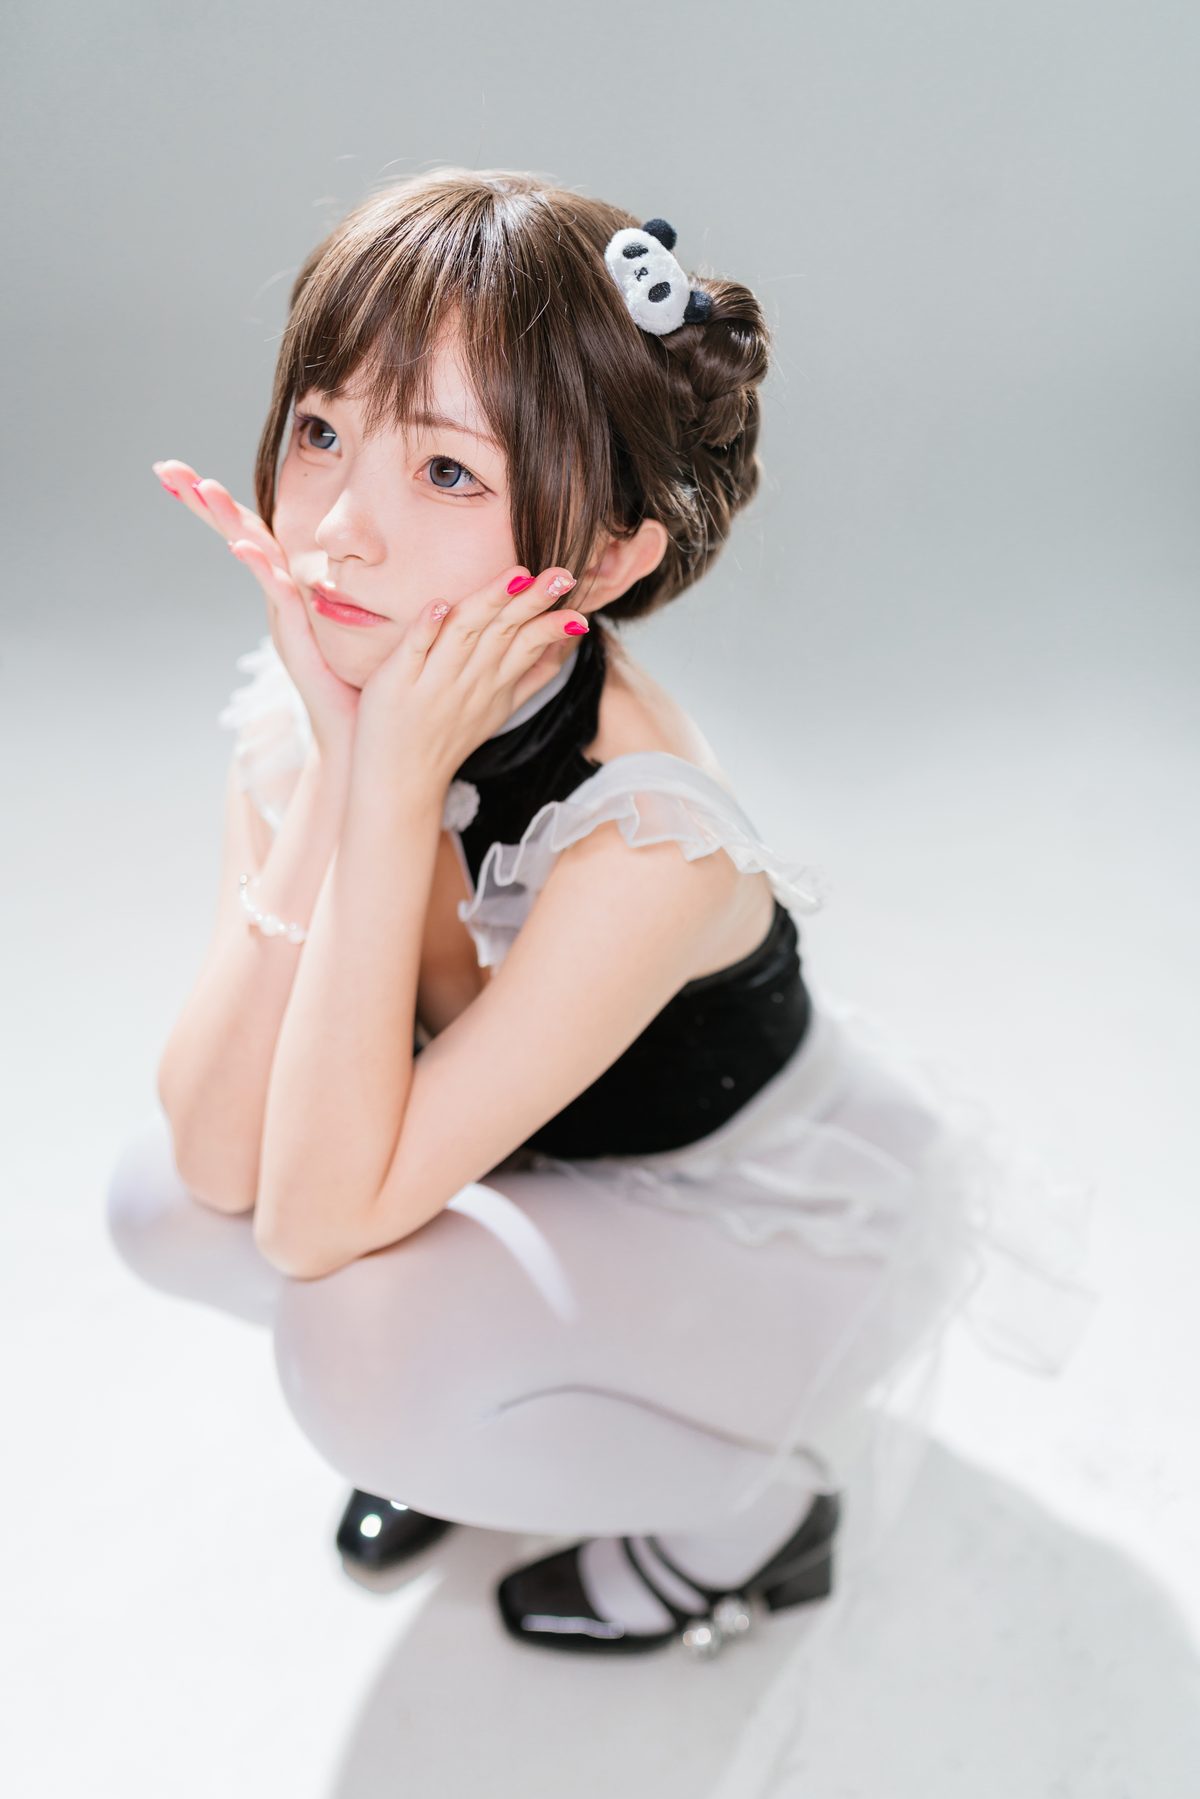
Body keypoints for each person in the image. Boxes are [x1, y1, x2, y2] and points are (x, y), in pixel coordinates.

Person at [107, 169, 1099, 1660]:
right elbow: (211, 1153)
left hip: (744, 1229)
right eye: (319, 431)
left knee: (355, 1346)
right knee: (158, 1204)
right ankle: (499, 1407)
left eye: (447, 472)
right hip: (519, 1169)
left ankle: (752, 1522)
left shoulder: (642, 841)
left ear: (610, 556)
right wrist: (342, 765)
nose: (340, 530)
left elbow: (310, 1227)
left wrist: (388, 788)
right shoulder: (315, 695)